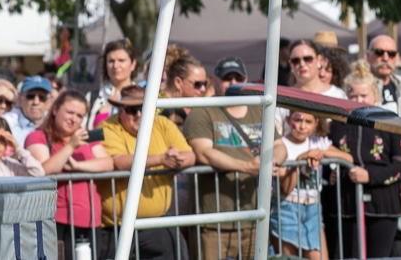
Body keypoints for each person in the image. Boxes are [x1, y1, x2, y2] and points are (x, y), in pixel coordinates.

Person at [99, 85, 194, 260]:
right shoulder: (107, 127)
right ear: (120, 110)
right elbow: (119, 161)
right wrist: (161, 159)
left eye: (143, 108)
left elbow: (190, 155)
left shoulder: (163, 123)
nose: (139, 114)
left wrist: (178, 160)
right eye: (132, 109)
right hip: (115, 226)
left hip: (156, 222)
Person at [183, 59, 261, 260]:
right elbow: (204, 152)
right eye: (227, 78)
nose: (233, 82)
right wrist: (247, 167)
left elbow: (279, 147)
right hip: (213, 221)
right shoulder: (201, 112)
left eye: (238, 77)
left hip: (254, 217)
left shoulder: (259, 109)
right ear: (215, 81)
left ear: (246, 80)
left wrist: (271, 163)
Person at [27, 90, 113, 258]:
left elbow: (108, 163)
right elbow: (43, 170)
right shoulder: (38, 136)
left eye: (80, 116)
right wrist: (71, 146)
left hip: (91, 221)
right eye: (70, 112)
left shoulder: (86, 135)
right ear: (55, 110)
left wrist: (78, 166)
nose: (74, 119)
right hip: (58, 221)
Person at [330, 69, 401, 259]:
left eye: (363, 95)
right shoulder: (337, 124)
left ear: (375, 95)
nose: (358, 100)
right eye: (352, 94)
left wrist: (370, 176)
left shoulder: (390, 121)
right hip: (348, 207)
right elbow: (326, 153)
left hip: (383, 206)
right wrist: (330, 174)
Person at [275, 109, 331, 260]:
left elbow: (348, 158)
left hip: (313, 208)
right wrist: (299, 160)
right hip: (287, 208)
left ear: (316, 123)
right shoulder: (281, 146)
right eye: (298, 120)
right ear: (288, 120)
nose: (302, 126)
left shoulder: (316, 142)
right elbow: (286, 188)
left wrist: (321, 153)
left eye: (308, 121)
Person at [366, 36, 401, 119]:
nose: (385, 58)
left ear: (397, 58)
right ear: (368, 56)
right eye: (379, 52)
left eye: (391, 53)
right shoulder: (360, 86)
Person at [90, 41, 136, 127]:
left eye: (121, 60)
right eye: (111, 61)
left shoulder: (143, 96)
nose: (115, 65)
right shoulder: (92, 97)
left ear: (133, 64)